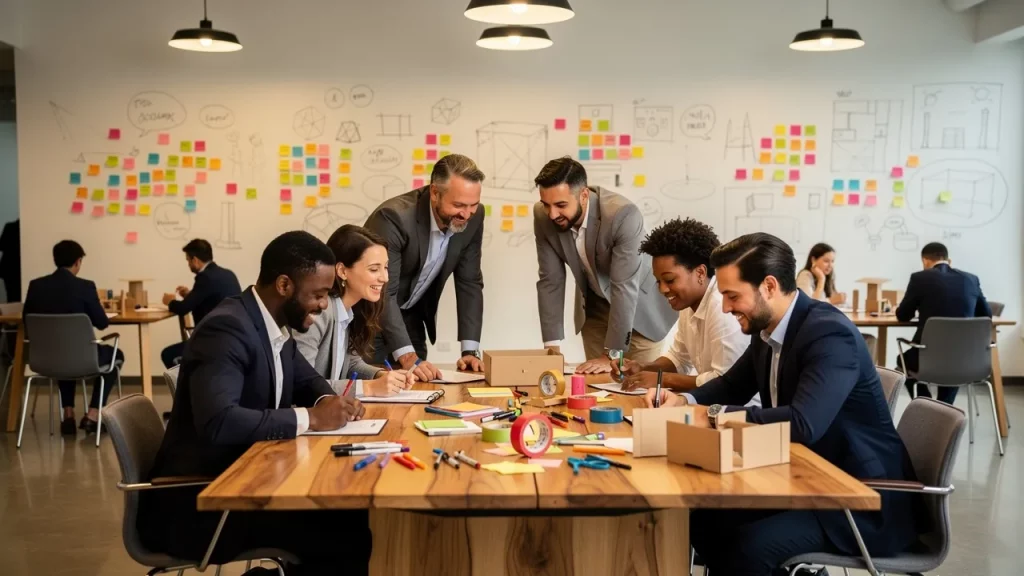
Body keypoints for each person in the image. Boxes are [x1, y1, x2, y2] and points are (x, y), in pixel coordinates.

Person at [645, 233, 919, 576]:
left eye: (732, 296)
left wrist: (710, 415)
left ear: (769, 286)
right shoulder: (767, 329)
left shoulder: (830, 334)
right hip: (807, 478)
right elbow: (732, 384)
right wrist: (682, 401)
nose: (726, 307)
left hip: (857, 497)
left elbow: (804, 424)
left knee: (749, 547)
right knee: (701, 519)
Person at [141, 231, 370, 576]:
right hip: (201, 505)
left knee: (348, 515)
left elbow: (306, 378)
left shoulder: (270, 325)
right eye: (319, 294)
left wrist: (329, 401)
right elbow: (220, 421)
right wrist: (311, 418)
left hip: (241, 482)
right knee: (343, 534)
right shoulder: (227, 330)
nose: (324, 306)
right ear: (283, 285)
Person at [533, 157, 676, 373]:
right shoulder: (543, 216)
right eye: (546, 204)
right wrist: (551, 348)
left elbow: (624, 285)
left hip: (639, 308)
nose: (552, 214)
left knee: (638, 386)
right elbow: (550, 280)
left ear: (583, 195)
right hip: (594, 309)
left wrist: (611, 353)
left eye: (561, 205)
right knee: (598, 386)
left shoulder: (622, 215)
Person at [364, 153, 486, 383]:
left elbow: (469, 281)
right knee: (376, 391)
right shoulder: (393, 218)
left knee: (418, 388)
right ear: (434, 193)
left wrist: (470, 351)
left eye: (473, 205)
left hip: (411, 318)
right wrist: (408, 355)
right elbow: (383, 290)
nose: (467, 214)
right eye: (458, 205)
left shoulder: (473, 217)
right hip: (370, 319)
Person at [611, 218, 750, 397]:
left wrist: (661, 379)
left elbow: (724, 381)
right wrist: (643, 367)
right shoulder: (688, 303)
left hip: (736, 412)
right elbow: (679, 359)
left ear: (700, 273)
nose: (662, 289)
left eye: (669, 280)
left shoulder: (722, 308)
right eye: (658, 282)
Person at [294, 225, 414, 396]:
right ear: (342, 271)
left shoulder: (348, 310)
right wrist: (370, 388)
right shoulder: (318, 313)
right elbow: (301, 385)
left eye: (386, 267)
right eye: (374, 269)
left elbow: (351, 364)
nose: (385, 278)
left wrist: (383, 376)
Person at [23, 240, 125, 436]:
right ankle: (93, 415)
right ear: (78, 261)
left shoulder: (36, 286)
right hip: (79, 357)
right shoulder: (85, 287)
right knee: (116, 355)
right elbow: (102, 323)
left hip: (47, 359)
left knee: (63, 354)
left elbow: (26, 322)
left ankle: (68, 415)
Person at [896, 241, 991, 404]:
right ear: (949, 260)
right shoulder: (971, 279)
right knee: (953, 357)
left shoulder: (919, 278)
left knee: (902, 361)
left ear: (925, 261)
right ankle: (944, 407)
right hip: (967, 359)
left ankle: (926, 405)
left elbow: (903, 315)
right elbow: (986, 314)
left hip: (928, 358)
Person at [160, 239, 241, 368]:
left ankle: (188, 388)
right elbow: (210, 298)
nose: (188, 264)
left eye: (188, 260)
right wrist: (190, 295)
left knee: (168, 354)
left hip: (212, 342)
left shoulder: (205, 277)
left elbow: (182, 308)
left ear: (195, 260)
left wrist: (169, 302)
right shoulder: (228, 274)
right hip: (234, 341)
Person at [0, 218, 20, 302]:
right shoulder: (28, 228)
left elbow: (1, 246)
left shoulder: (9, 227)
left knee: (11, 296)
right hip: (19, 268)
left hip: (8, 269)